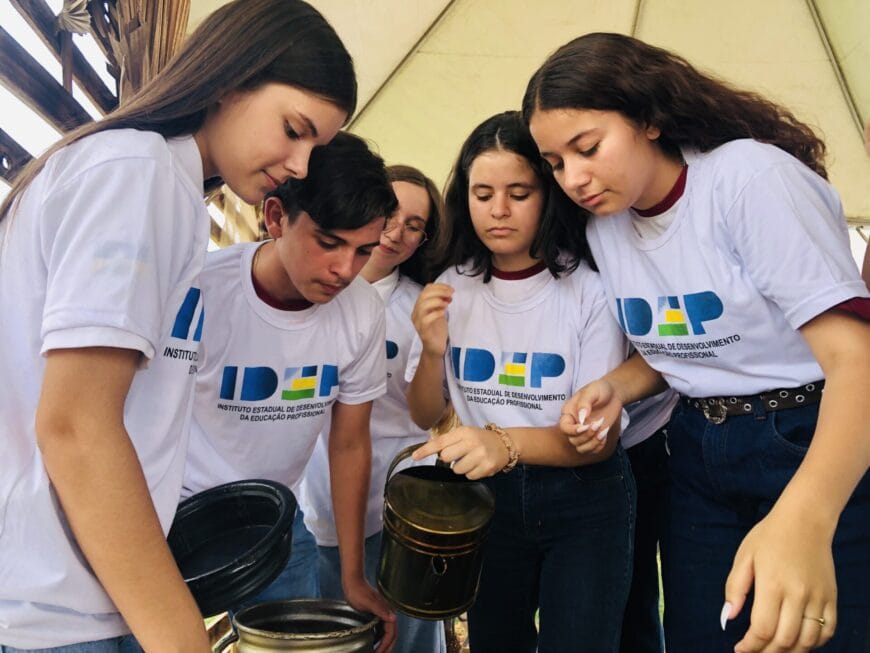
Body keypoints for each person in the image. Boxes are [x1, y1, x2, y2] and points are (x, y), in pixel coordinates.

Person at [0, 0, 356, 650]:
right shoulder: (138, 173)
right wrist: (179, 635)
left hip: (84, 595)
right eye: (294, 128)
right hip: (60, 610)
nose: (302, 166)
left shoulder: (167, 184)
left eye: (318, 147)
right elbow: (76, 424)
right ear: (230, 79)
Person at [523, 32, 870, 653]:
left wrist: (808, 517)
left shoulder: (748, 180)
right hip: (696, 449)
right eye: (555, 163)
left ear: (650, 118)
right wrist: (614, 386)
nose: (573, 178)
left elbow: (858, 361)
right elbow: (692, 345)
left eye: (587, 148)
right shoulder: (608, 226)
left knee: (817, 636)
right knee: (703, 637)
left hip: (811, 435)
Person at [407, 111, 636, 653]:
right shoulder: (449, 285)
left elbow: (594, 444)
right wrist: (432, 350)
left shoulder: (588, 289)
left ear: (549, 194)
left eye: (519, 192)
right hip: (487, 501)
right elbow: (422, 415)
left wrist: (502, 443)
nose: (499, 211)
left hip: (584, 503)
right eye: (482, 194)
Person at [181, 132, 398, 652]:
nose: (346, 270)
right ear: (276, 217)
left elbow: (348, 443)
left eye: (363, 250)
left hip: (277, 523)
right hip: (174, 518)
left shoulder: (363, 311)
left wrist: (352, 577)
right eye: (329, 242)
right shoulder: (199, 291)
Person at [299, 164, 447, 653]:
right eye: (391, 214)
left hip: (397, 502)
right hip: (312, 502)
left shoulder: (420, 308)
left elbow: (426, 413)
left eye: (414, 225)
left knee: (405, 638)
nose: (395, 232)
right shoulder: (308, 290)